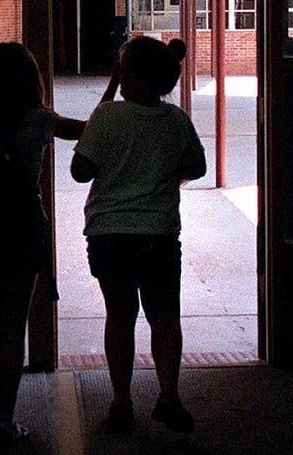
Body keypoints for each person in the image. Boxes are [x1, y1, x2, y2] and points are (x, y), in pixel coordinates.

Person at [71, 36, 207, 433]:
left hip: (109, 235)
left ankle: (121, 400)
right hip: (159, 235)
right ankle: (168, 393)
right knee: (164, 317)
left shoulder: (107, 117)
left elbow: (81, 171)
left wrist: (108, 94)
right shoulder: (176, 119)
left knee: (121, 315)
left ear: (127, 76)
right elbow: (196, 167)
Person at [0, 41, 89, 445]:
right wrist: (113, 90)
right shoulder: (39, 120)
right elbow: (90, 131)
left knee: (0, 318)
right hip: (22, 229)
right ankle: (6, 418)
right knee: (14, 321)